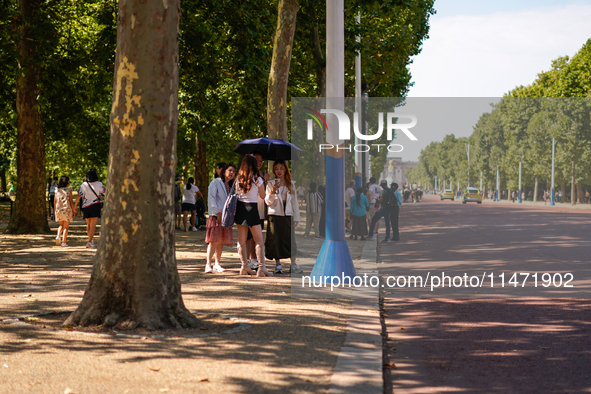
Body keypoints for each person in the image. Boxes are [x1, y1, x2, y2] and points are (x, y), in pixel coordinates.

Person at [235, 155, 272, 276]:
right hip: (252, 209)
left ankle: (244, 266)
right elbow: (262, 196)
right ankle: (261, 268)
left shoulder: (238, 179)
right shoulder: (258, 179)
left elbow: (236, 194)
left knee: (241, 240)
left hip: (241, 208)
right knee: (259, 240)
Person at [265, 160, 303, 274]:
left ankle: (293, 264)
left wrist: (296, 217)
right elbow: (268, 201)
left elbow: (295, 202)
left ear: (285, 169)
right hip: (275, 214)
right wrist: (272, 191)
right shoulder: (270, 183)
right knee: (275, 239)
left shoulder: (291, 183)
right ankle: (278, 264)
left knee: (290, 239)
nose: (279, 171)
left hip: (288, 214)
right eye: (276, 169)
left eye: (281, 168)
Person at [205, 163, 236, 273]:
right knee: (213, 240)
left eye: (233, 171)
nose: (231, 173)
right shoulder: (216, 182)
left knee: (221, 241)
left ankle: (217, 263)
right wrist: (217, 212)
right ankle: (208, 264)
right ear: (224, 172)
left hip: (226, 217)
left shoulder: (232, 186)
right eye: (229, 170)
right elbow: (212, 198)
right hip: (216, 216)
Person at [247, 153, 270, 270]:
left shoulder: (264, 176)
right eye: (257, 160)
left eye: (261, 161)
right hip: (250, 208)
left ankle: (255, 259)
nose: (259, 163)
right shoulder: (248, 175)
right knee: (249, 237)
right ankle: (250, 259)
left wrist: (267, 181)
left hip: (260, 210)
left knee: (257, 237)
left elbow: (266, 194)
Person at [75, 169, 106, 249]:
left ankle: (90, 240)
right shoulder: (99, 184)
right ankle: (89, 242)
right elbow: (105, 192)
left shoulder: (83, 184)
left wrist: (75, 205)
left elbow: (79, 195)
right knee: (93, 225)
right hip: (95, 205)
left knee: (88, 224)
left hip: (85, 206)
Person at [54, 176, 75, 247]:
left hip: (59, 209)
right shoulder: (69, 191)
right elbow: (71, 202)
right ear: (67, 183)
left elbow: (55, 201)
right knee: (66, 227)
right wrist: (74, 210)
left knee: (61, 225)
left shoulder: (57, 190)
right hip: (67, 210)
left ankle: (58, 236)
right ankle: (63, 242)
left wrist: (55, 210)